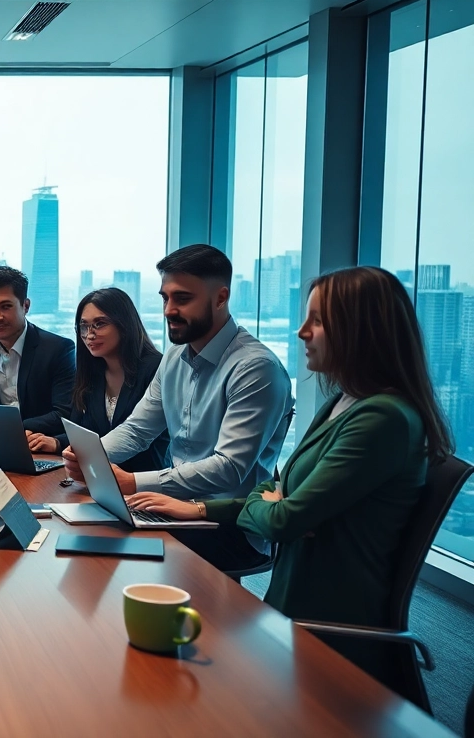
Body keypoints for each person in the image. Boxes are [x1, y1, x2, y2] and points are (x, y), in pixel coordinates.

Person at [127, 266, 451, 682]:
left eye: (317, 320)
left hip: (322, 636)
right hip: (284, 617)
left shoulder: (382, 419)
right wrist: (202, 509)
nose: (301, 332)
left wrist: (282, 507)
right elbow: (275, 488)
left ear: (360, 330)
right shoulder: (344, 402)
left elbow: (285, 517)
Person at [62, 244, 294, 571]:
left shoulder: (255, 368)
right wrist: (92, 457)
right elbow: (138, 429)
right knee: (81, 533)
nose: (169, 309)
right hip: (168, 505)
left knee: (108, 551)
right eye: (164, 298)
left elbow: (229, 468)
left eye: (182, 299)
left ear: (220, 298)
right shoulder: (174, 356)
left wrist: (133, 482)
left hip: (229, 523)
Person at [27, 287, 169, 471]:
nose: (89, 335)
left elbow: (141, 438)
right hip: (97, 476)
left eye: (99, 324)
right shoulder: (92, 371)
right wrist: (56, 443)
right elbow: (85, 431)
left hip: (143, 481)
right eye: (84, 326)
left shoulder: (155, 368)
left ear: (124, 324)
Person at [0, 265, 75, 434]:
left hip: (43, 448)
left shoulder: (58, 349)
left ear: (26, 306)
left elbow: (65, 413)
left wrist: (9, 428)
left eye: (5, 306)